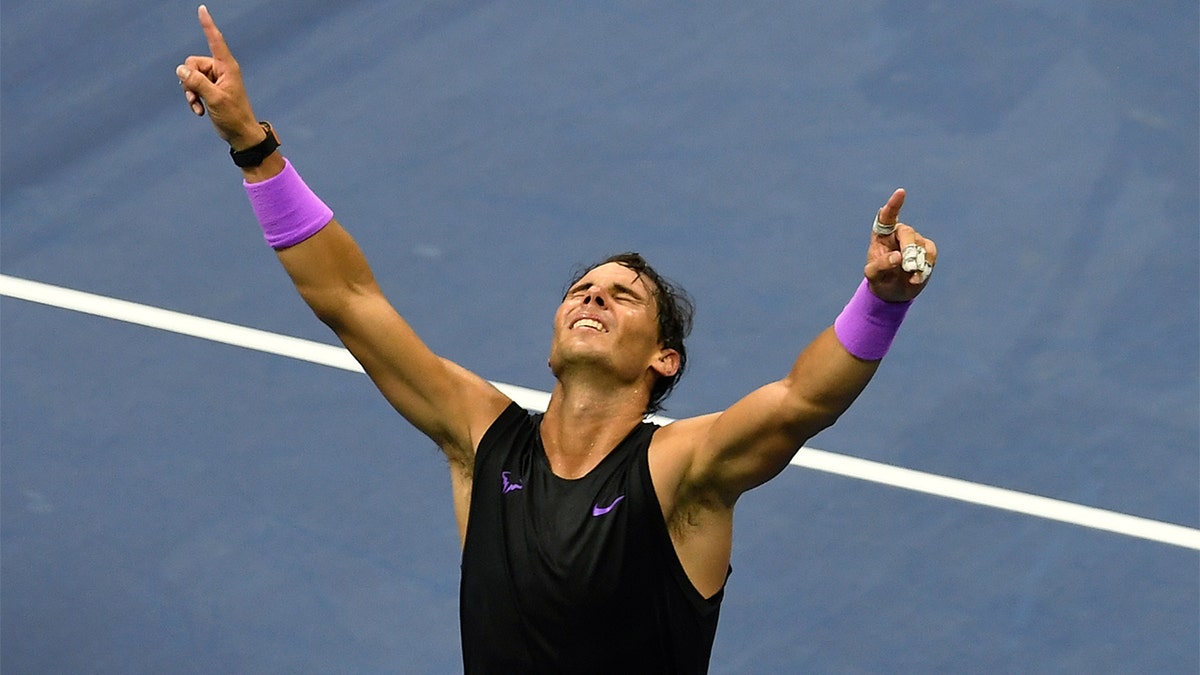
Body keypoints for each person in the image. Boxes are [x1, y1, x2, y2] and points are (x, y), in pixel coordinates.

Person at [176, 5, 937, 673]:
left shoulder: (680, 473)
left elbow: (803, 399)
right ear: (552, 341)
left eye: (624, 296)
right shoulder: (482, 437)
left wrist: (880, 300)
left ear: (662, 360)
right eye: (583, 288)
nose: (594, 295)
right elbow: (348, 299)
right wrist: (250, 141)